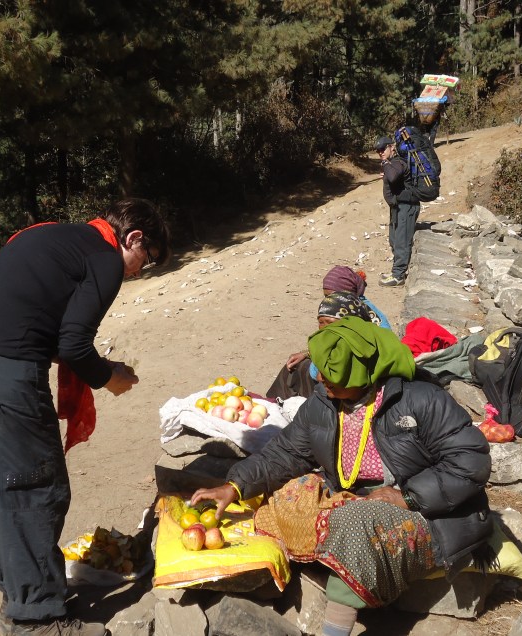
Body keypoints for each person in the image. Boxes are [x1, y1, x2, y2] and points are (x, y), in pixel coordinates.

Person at [0, 199, 170, 636]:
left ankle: (21, 591)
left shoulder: (55, 234)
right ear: (133, 238)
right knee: (38, 486)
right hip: (4, 366)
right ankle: (39, 619)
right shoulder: (104, 258)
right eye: (148, 258)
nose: (142, 270)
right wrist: (109, 378)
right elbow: (75, 344)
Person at [194, 317, 494, 636]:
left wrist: (407, 497)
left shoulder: (420, 399)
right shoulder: (326, 401)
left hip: (427, 511)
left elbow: (470, 461)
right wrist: (235, 485)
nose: (321, 378)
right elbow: (286, 452)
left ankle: (335, 627)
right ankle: (328, 564)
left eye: (332, 374)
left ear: (363, 372)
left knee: (352, 525)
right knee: (290, 496)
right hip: (354, 498)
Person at [266, 291, 377, 400]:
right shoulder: (331, 342)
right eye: (321, 322)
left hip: (347, 395)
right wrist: (307, 353)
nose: (324, 329)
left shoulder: (363, 346)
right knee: (294, 367)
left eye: (330, 323)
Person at [376, 136, 419, 287]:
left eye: (383, 149)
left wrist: (385, 164)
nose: (381, 152)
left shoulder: (399, 161)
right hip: (398, 206)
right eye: (378, 151)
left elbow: (394, 176)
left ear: (391, 147)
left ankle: (398, 276)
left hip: (407, 206)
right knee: (394, 239)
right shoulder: (393, 163)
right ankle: (396, 271)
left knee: (402, 241)